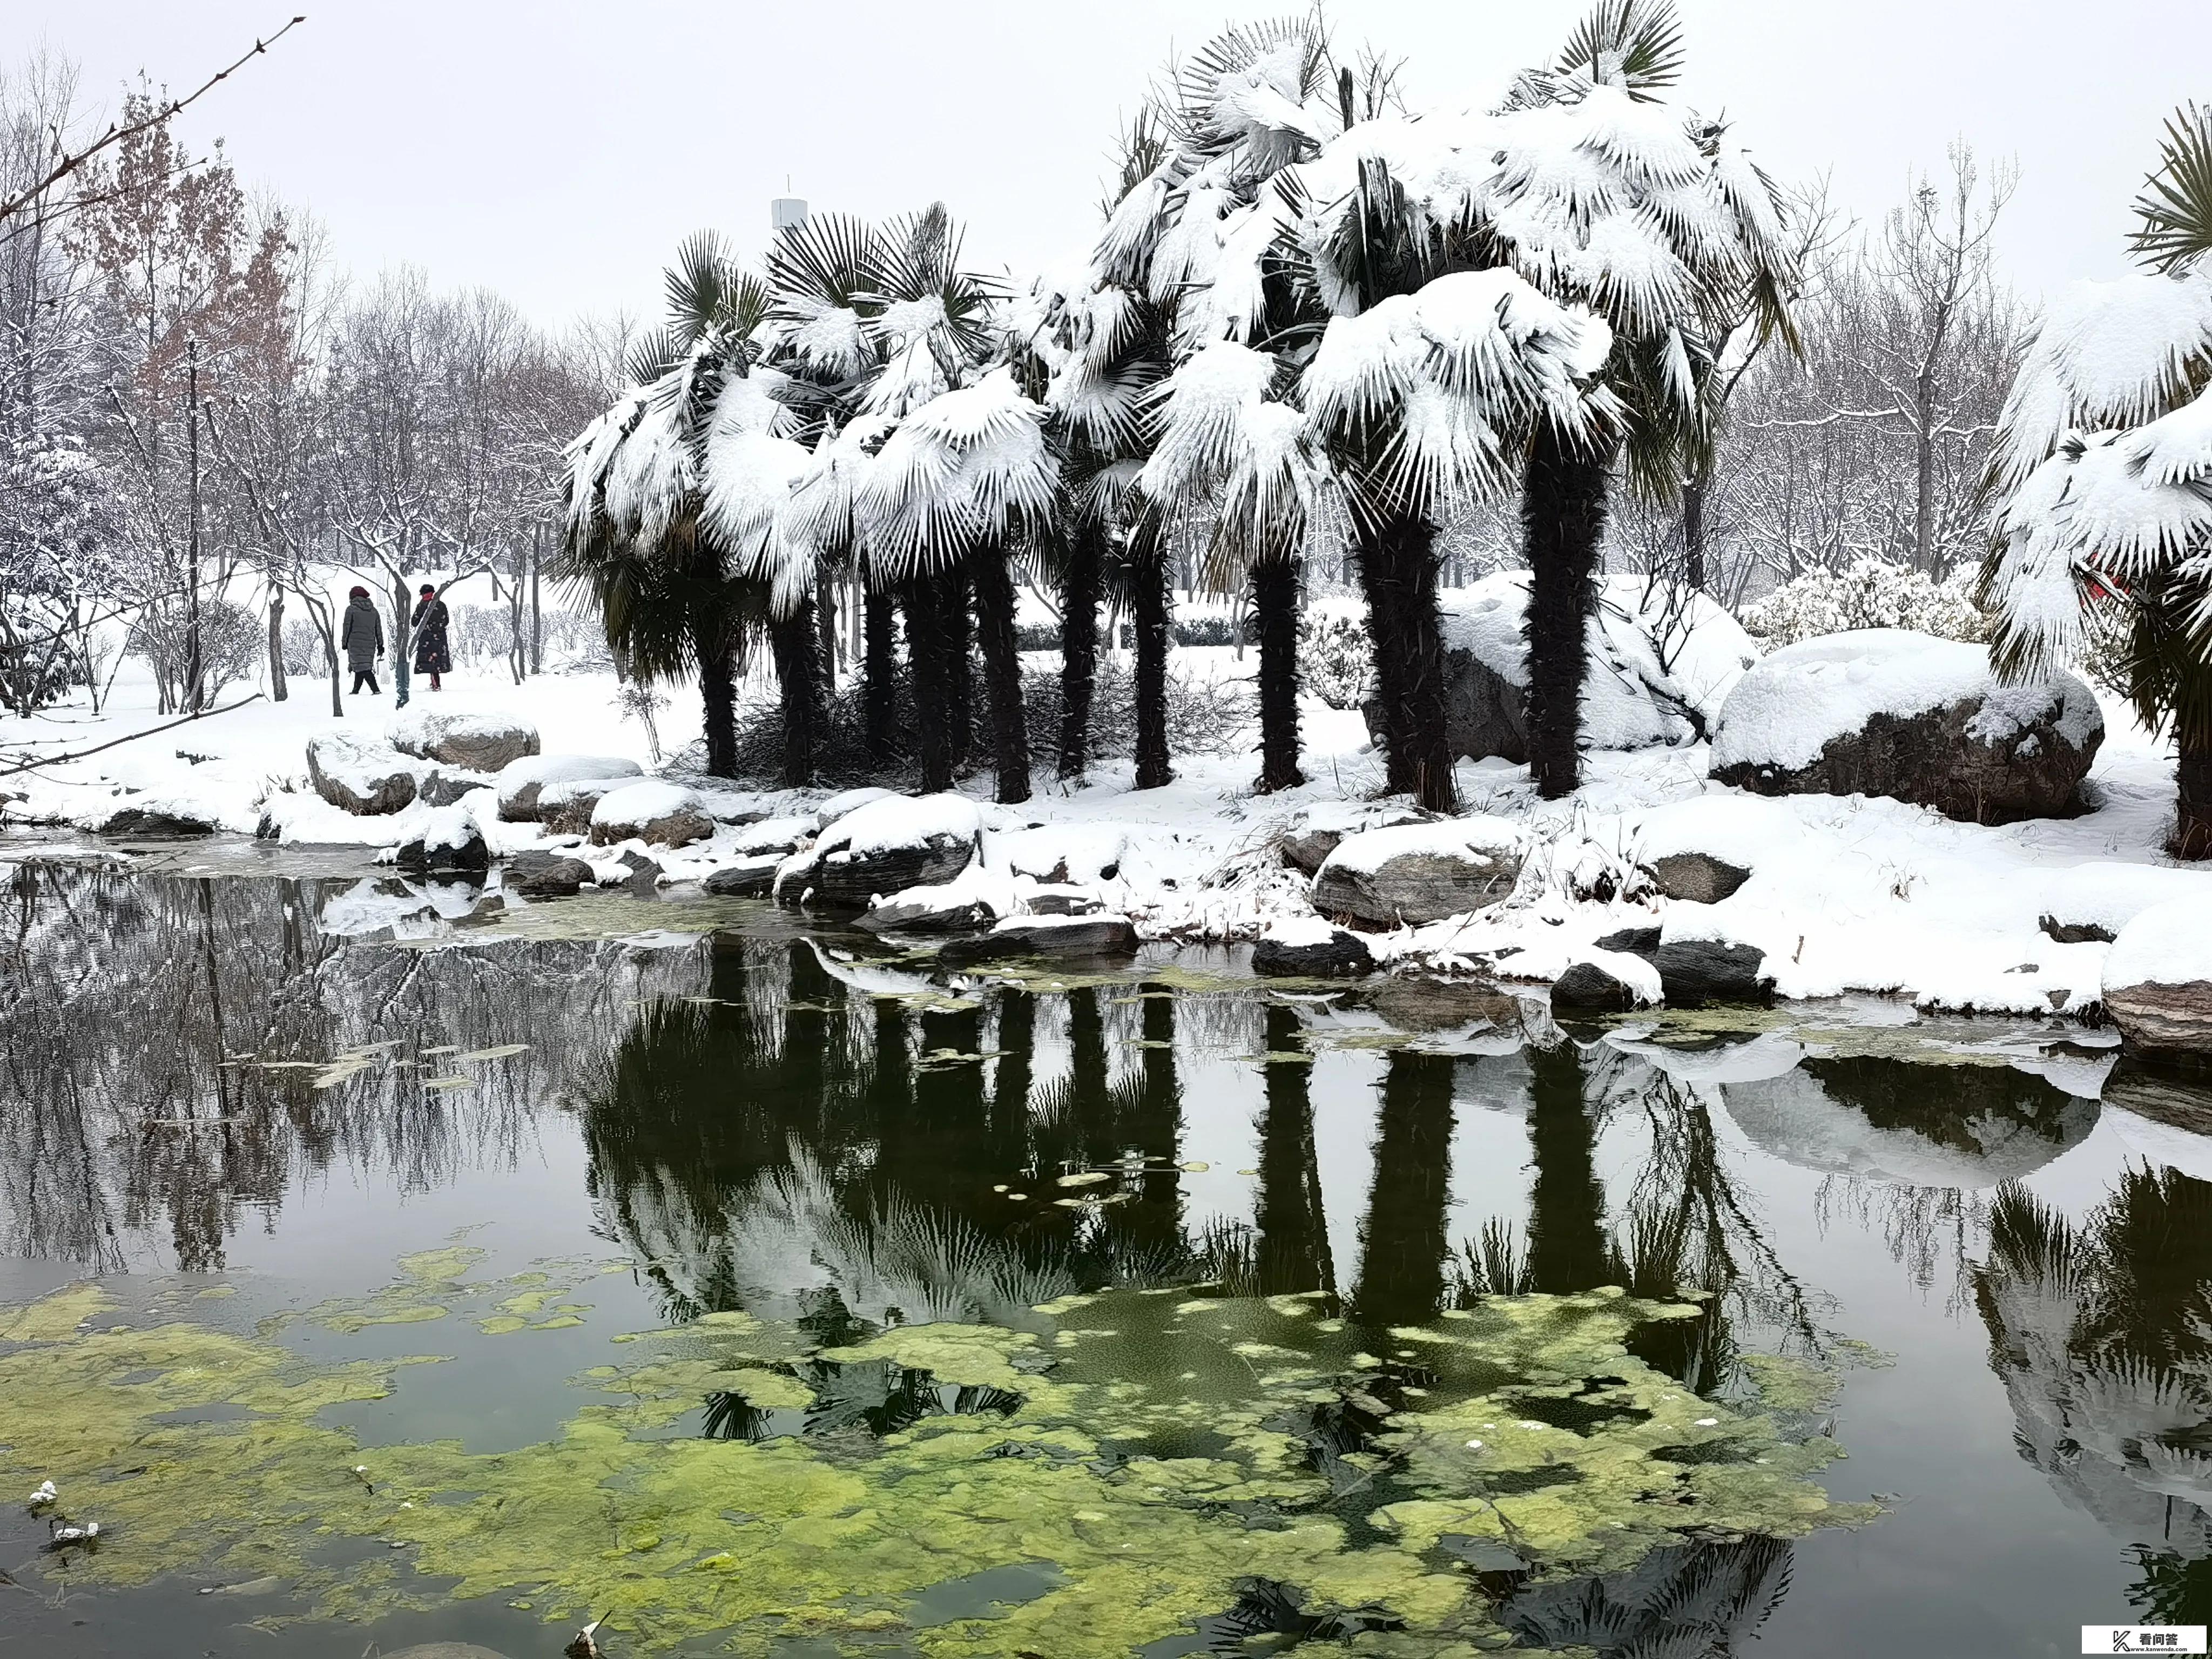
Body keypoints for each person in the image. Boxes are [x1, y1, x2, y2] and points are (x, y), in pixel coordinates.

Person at [341, 586, 384, 696]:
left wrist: (344, 643)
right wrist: (380, 645)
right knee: (362, 665)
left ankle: (375, 690)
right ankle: (356, 690)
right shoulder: (374, 611)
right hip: (370, 644)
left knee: (362, 667)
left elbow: (347, 627)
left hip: (354, 643)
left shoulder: (351, 610)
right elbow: (378, 629)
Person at [411, 583, 452, 691]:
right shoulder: (441, 605)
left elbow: (414, 622)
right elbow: (446, 621)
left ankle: (436, 685)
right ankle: (435, 683)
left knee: (430, 662)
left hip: (426, 638)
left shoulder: (422, 606)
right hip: (440, 638)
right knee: (436, 661)